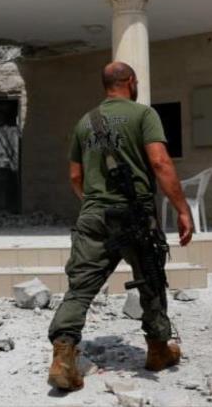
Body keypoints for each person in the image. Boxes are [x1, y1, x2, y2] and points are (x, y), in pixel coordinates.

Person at [47, 61, 194, 391]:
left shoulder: (85, 122)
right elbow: (159, 161)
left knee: (80, 287)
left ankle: (63, 359)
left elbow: (74, 176)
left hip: (93, 214)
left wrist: (94, 202)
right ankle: (158, 350)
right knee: (150, 279)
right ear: (130, 82)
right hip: (135, 215)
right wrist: (182, 209)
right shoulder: (144, 115)